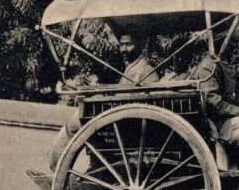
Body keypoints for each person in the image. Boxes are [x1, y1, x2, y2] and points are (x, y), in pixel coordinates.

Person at [48, 32, 158, 170]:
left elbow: (131, 100)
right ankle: (93, 168)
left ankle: (57, 170)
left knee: (74, 124)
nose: (123, 49)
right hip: (124, 120)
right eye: (121, 45)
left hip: (129, 125)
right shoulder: (135, 67)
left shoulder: (144, 70)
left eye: (128, 44)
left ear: (140, 46)